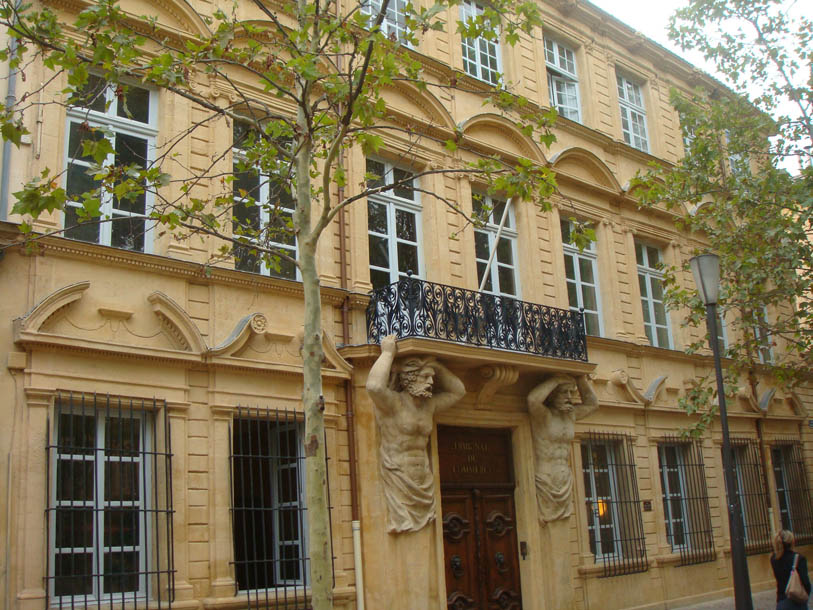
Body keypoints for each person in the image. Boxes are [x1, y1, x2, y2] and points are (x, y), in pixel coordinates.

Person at [366, 334, 466, 533]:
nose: (431, 382)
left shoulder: (429, 405)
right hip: (399, 478)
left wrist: (436, 366)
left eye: (431, 377)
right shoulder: (394, 403)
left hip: (424, 483)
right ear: (410, 378)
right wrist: (387, 353)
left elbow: (459, 391)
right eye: (425, 377)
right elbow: (375, 387)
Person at [527, 374, 598, 523]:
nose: (569, 397)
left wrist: (580, 378)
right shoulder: (545, 415)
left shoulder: (570, 415)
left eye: (570, 393)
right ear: (552, 394)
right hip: (546, 477)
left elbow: (592, 404)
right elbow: (532, 400)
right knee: (547, 523)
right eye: (563, 392)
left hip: (565, 478)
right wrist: (556, 380)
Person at [771, 529, 811, 609]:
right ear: (792, 542)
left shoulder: (774, 559)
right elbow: (806, 582)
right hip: (796, 601)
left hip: (781, 600)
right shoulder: (799, 558)